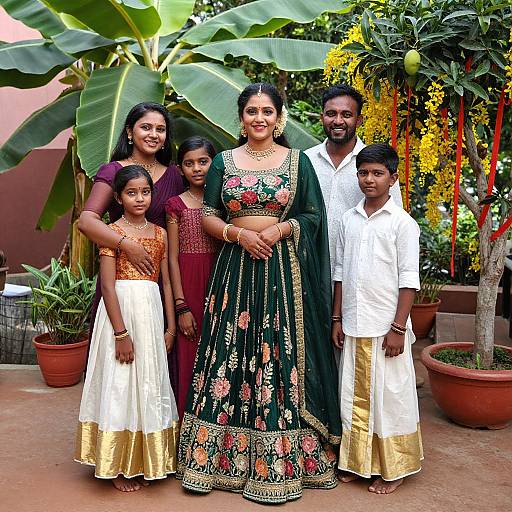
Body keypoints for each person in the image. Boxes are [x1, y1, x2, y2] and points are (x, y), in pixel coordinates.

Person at [177, 83, 341, 504]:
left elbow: (311, 214)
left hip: (281, 271)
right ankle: (214, 460)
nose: (259, 119)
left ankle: (279, 461)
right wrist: (237, 235)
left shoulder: (296, 161)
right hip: (234, 270)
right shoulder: (224, 163)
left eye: (267, 111)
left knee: (275, 350)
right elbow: (208, 215)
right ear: (241, 116)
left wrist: (276, 229)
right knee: (229, 351)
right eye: (251, 111)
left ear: (279, 116)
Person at [75, 165, 179, 492]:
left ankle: (148, 460)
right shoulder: (113, 234)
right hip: (119, 315)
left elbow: (164, 283)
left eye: (145, 192)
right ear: (118, 198)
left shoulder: (159, 234)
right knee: (120, 382)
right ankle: (116, 464)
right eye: (131, 193)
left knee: (148, 382)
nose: (139, 198)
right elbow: (107, 286)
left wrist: (171, 329)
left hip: (151, 317)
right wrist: (120, 334)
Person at [331, 143, 422, 494]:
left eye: (377, 173)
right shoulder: (348, 219)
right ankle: (357, 462)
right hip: (353, 323)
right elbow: (339, 271)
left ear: (393, 178)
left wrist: (398, 327)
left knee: (390, 397)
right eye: (364, 172)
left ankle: (394, 467)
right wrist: (337, 318)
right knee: (351, 394)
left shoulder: (402, 223)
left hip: (387, 327)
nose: (369, 179)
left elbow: (408, 279)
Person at [78, 102, 183, 388]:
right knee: (119, 372)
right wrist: (127, 244)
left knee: (155, 366)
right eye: (145, 127)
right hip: (119, 283)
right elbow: (86, 221)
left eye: (160, 129)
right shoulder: (113, 171)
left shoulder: (174, 175)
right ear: (129, 131)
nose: (153, 134)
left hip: (158, 286)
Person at [305, 84, 402, 276]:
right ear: (322, 117)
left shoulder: (377, 167)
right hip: (310, 271)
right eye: (331, 113)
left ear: (359, 120)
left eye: (346, 115)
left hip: (359, 273)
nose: (338, 121)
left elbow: (394, 221)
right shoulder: (305, 161)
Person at [165, 136, 219, 419]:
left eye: (203, 161)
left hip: (221, 282)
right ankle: (186, 434)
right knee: (189, 357)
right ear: (180, 169)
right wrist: (181, 305)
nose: (197, 168)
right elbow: (172, 258)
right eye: (189, 163)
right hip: (188, 283)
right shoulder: (176, 205)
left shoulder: (224, 202)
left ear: (215, 162)